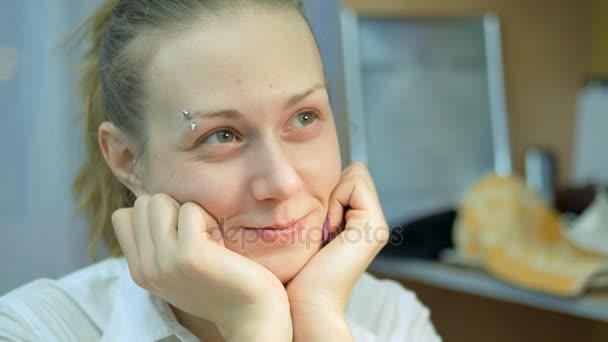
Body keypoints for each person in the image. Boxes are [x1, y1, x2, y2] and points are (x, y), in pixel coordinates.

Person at [0, 0, 441, 341]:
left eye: (304, 117)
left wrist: (318, 317)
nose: (282, 182)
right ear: (126, 159)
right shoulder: (33, 328)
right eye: (221, 135)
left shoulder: (392, 320)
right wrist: (255, 324)